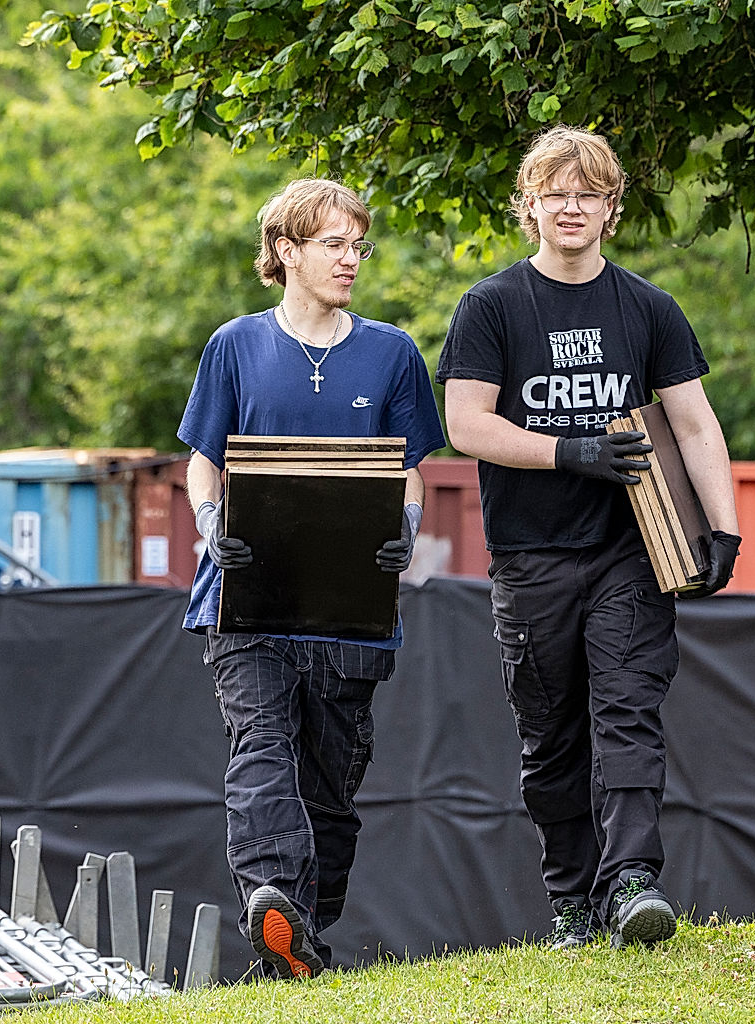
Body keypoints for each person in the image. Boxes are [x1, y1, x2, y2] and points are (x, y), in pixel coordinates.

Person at [436, 125, 741, 952]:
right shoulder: (491, 306)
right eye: (555, 193)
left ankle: (634, 882)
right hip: (530, 558)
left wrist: (726, 527)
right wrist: (568, 452)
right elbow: (465, 424)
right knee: (553, 741)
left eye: (589, 193)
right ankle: (574, 901)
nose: (571, 207)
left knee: (630, 713)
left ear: (611, 208)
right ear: (528, 206)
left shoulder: (648, 308)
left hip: (630, 553)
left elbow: (696, 425)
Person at [179, 177, 446, 978]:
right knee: (261, 750)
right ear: (286, 250)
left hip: (351, 611)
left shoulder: (393, 353)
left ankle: (301, 940)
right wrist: (209, 525)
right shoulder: (234, 345)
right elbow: (204, 464)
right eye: (334, 243)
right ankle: (271, 895)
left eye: (358, 245)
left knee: (329, 791)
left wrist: (407, 529)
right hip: (245, 600)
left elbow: (408, 472)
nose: (351, 259)